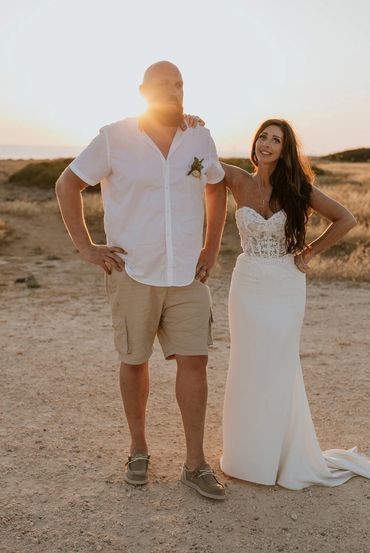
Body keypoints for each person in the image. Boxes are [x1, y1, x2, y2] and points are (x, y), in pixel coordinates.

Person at [55, 61, 227, 500]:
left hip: (188, 272)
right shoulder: (114, 137)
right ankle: (138, 450)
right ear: (143, 91)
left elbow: (215, 187)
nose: (174, 92)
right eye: (163, 86)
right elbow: (66, 184)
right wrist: (86, 247)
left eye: (179, 85)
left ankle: (195, 463)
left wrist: (210, 249)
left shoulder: (198, 136)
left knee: (195, 363)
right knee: (134, 362)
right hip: (133, 270)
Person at [220, 119, 370, 489]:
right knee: (247, 365)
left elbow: (345, 219)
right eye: (263, 137)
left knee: (279, 366)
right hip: (248, 283)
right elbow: (196, 158)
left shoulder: (298, 188)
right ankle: (246, 458)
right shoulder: (236, 178)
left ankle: (281, 457)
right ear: (254, 142)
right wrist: (192, 124)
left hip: (286, 285)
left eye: (276, 140)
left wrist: (309, 252)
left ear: (285, 150)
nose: (267, 144)